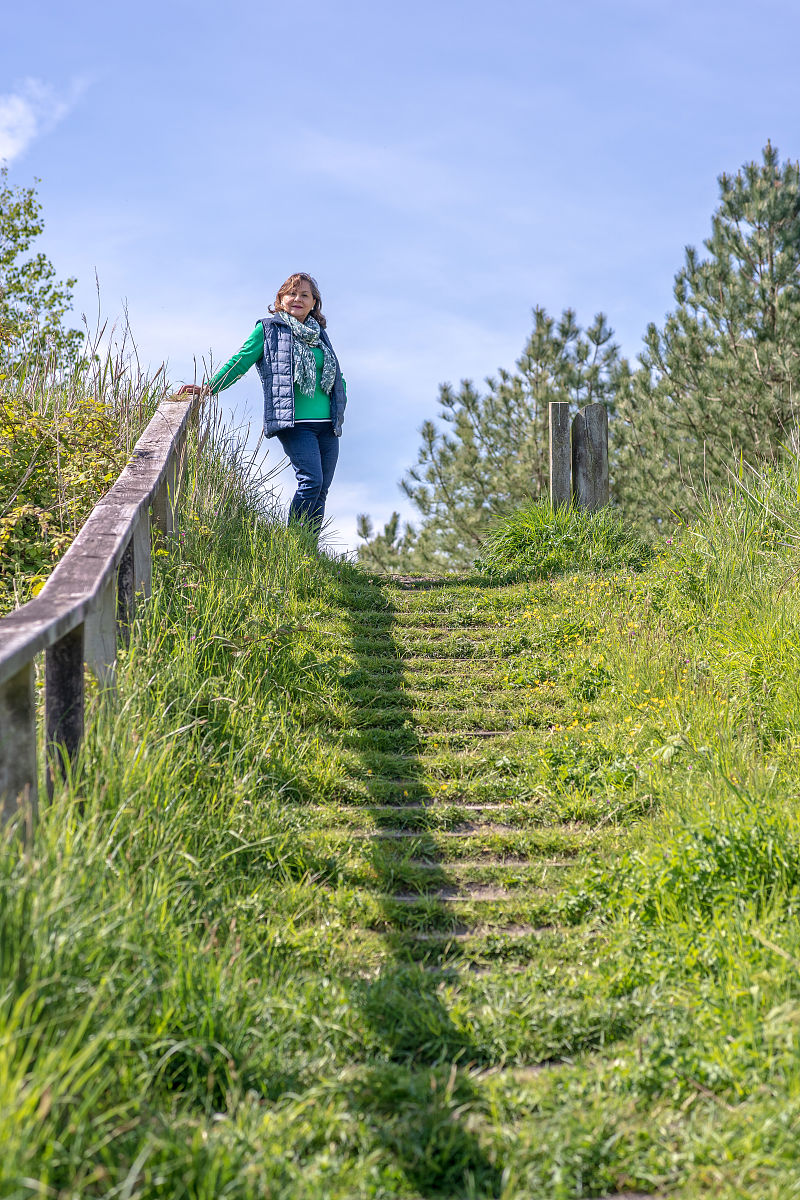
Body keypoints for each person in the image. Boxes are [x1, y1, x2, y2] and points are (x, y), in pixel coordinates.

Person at [176, 272, 347, 539]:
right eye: (292, 293)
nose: (297, 299)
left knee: (321, 488)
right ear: (281, 299)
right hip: (294, 422)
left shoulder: (319, 335)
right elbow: (241, 360)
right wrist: (210, 387)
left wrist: (341, 403)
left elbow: (336, 374)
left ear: (314, 302)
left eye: (305, 295)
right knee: (310, 482)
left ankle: (310, 552)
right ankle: (295, 545)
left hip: (327, 425)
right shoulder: (269, 330)